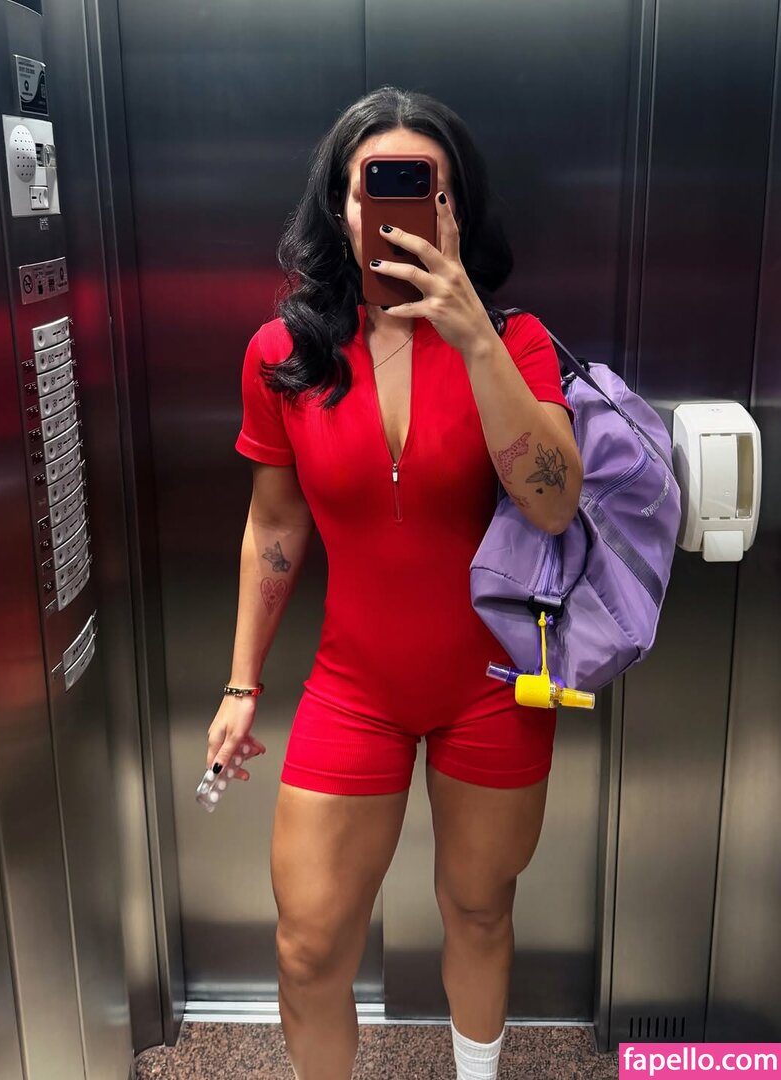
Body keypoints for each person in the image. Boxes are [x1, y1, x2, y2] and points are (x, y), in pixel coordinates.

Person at [206, 85, 582, 1080]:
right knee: (307, 945)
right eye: (375, 188)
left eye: (429, 190)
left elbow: (552, 500)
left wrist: (474, 334)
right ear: (340, 207)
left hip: (494, 685)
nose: (400, 213)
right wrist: (242, 682)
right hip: (354, 687)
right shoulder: (285, 353)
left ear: (457, 210)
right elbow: (274, 524)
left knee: (480, 910)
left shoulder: (516, 341)